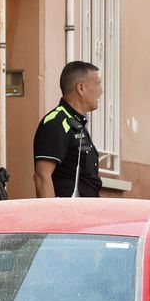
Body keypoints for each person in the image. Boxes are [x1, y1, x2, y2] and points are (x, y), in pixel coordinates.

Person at [33, 61, 103, 198]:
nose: (101, 91)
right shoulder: (56, 122)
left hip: (86, 214)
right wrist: (53, 217)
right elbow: (42, 176)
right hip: (68, 216)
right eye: (97, 84)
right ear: (81, 88)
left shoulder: (77, 123)